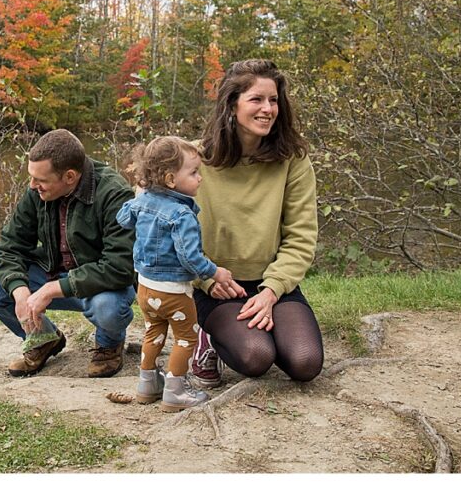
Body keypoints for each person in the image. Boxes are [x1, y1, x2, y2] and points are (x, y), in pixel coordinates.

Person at [189, 59, 324, 388]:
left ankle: (266, 326)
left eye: (274, 100)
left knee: (305, 361)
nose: (268, 109)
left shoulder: (293, 160)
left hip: (271, 285)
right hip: (218, 286)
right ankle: (205, 338)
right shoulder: (192, 160)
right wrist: (205, 278)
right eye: (256, 99)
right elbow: (166, 231)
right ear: (231, 105)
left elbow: (301, 237)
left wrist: (271, 292)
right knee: (255, 356)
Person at [0, 129, 136, 378]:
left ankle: (108, 344)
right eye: (32, 177)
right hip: (52, 272)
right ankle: (43, 338)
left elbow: (119, 267)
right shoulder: (37, 192)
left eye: (41, 180)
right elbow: (9, 247)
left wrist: (51, 290)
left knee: (108, 309)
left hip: (100, 286)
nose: (32, 185)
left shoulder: (114, 193)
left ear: (69, 176)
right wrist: (20, 291)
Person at [116, 136, 240, 412]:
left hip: (145, 289)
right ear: (171, 179)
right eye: (194, 173)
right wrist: (215, 272)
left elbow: (122, 218)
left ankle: (147, 383)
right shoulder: (182, 215)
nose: (200, 179)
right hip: (173, 292)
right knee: (186, 338)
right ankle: (176, 390)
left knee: (153, 332)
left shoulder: (143, 200)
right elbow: (190, 257)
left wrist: (140, 191)